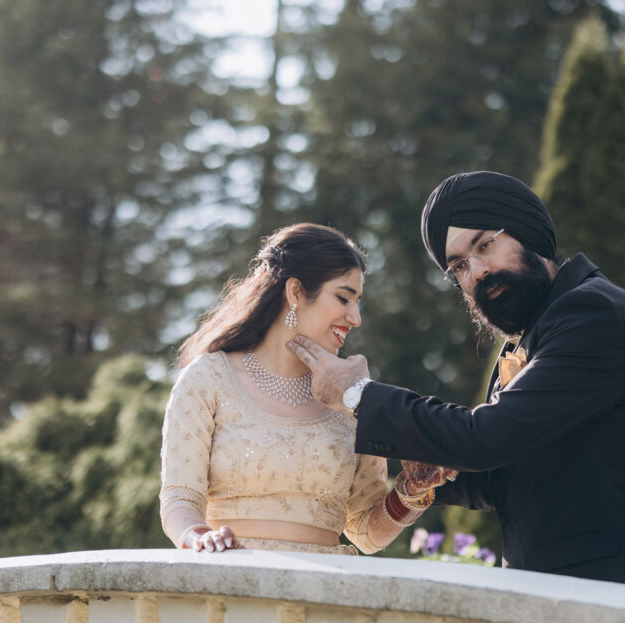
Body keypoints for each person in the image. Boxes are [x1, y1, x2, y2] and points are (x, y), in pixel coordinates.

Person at [287, 172, 625, 623]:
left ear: (528, 232)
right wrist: (426, 478)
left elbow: (486, 438)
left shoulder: (594, 315)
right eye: (459, 266)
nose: (477, 271)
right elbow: (504, 473)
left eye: (485, 245)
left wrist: (360, 396)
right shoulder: (529, 340)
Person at [159, 223, 433, 556]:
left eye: (357, 302)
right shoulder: (208, 379)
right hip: (230, 577)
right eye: (343, 298)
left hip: (326, 583)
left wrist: (411, 492)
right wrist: (200, 537)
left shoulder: (353, 397)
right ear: (296, 292)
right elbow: (180, 499)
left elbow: (365, 533)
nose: (356, 317)